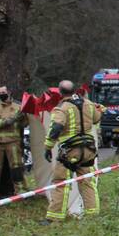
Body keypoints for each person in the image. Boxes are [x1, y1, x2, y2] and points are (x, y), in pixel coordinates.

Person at [43, 80, 102, 223]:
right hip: (88, 150)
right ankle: (92, 215)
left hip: (69, 152)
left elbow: (56, 128)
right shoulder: (88, 104)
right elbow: (97, 118)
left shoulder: (62, 108)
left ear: (60, 92)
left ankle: (54, 218)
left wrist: (48, 147)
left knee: (61, 182)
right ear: (74, 90)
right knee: (87, 182)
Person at [0, 85, 27, 202]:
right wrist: (11, 120)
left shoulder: (19, 106)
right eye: (0, 92)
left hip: (13, 142)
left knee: (17, 166)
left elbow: (24, 124)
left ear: (9, 92)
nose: (1, 94)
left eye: (3, 92)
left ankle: (21, 192)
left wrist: (23, 117)